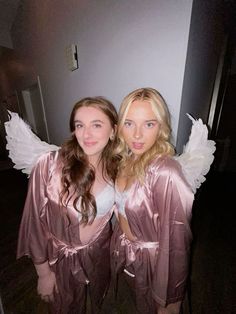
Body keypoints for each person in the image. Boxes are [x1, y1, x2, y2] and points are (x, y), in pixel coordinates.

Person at [16, 96, 119, 314]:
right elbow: (34, 223)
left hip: (100, 252)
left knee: (99, 301)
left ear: (113, 131)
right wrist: (43, 273)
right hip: (61, 260)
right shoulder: (50, 165)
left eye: (96, 125)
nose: (86, 134)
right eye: (79, 125)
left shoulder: (117, 167)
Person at [111, 87, 194, 314]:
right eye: (129, 123)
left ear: (161, 127)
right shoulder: (124, 160)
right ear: (119, 127)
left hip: (156, 265)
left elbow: (177, 242)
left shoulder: (166, 172)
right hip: (130, 255)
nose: (137, 135)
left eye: (149, 124)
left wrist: (171, 299)